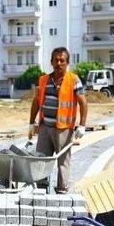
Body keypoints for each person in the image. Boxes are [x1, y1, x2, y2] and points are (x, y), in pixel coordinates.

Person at [28, 47, 88, 193]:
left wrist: (82, 125)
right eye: (56, 60)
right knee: (41, 160)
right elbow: (36, 102)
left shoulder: (73, 80)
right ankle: (41, 189)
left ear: (67, 63)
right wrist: (31, 123)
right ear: (51, 62)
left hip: (64, 129)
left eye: (62, 60)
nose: (59, 63)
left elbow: (83, 102)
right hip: (45, 128)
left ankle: (62, 190)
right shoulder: (43, 80)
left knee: (63, 162)